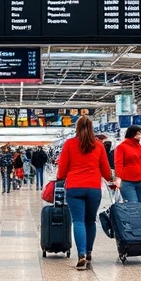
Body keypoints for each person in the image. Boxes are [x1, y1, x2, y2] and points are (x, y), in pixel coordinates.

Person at [57, 115, 113, 271]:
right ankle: (89, 252)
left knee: (78, 221)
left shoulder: (69, 144)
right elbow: (107, 172)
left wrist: (62, 176)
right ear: (92, 128)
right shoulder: (99, 145)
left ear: (77, 128)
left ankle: (81, 254)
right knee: (90, 221)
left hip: (74, 188)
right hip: (94, 188)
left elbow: (61, 172)